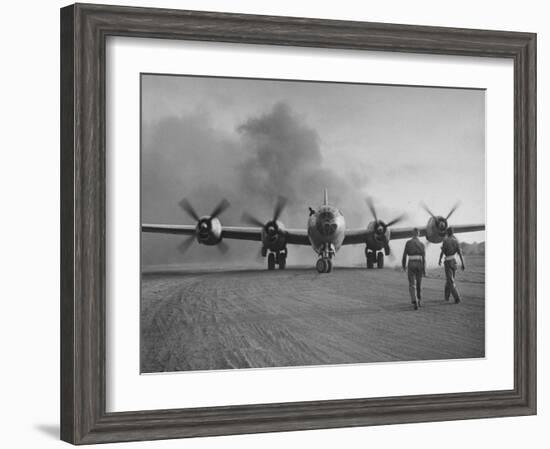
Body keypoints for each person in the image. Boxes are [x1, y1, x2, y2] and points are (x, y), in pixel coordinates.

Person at [438, 227, 465, 303]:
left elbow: (442, 252)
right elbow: (460, 253)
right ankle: (446, 297)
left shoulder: (446, 241)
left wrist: (439, 259)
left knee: (450, 281)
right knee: (449, 280)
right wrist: (463, 263)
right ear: (452, 233)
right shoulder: (456, 241)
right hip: (454, 261)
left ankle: (457, 298)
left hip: (448, 262)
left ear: (447, 233)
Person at [402, 228, 426, 310]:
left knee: (412, 284)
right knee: (419, 283)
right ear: (418, 234)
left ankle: (414, 300)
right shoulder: (422, 244)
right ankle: (419, 300)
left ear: (412, 234)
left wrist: (403, 266)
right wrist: (424, 269)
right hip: (419, 263)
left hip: (411, 263)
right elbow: (424, 258)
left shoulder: (408, 243)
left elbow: (404, 255)